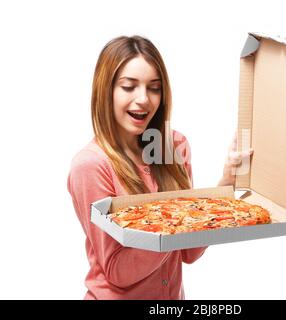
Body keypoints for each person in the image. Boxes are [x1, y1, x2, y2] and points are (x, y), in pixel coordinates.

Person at [67, 35, 253, 300]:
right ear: (105, 91)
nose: (144, 99)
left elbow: (189, 252)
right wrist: (176, 221)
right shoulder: (91, 165)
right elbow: (118, 270)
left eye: (154, 88)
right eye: (129, 86)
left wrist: (225, 185)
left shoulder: (174, 147)